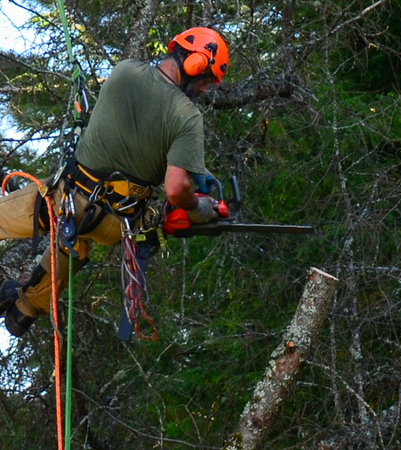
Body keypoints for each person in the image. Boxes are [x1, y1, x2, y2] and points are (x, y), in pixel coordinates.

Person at [0, 27, 229, 337]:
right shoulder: (187, 117)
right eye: (206, 80)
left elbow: (174, 186)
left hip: (69, 198)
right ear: (196, 64)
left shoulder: (125, 72)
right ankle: (24, 310)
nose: (203, 89)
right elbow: (177, 188)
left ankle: (24, 306)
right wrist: (199, 208)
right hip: (114, 225)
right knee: (75, 245)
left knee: (31, 211)